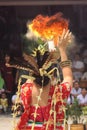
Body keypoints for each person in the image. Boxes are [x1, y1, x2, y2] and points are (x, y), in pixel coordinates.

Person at [13, 13, 73, 130]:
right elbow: (68, 77)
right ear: (53, 77)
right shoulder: (59, 92)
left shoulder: (26, 89)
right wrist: (62, 50)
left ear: (32, 74)